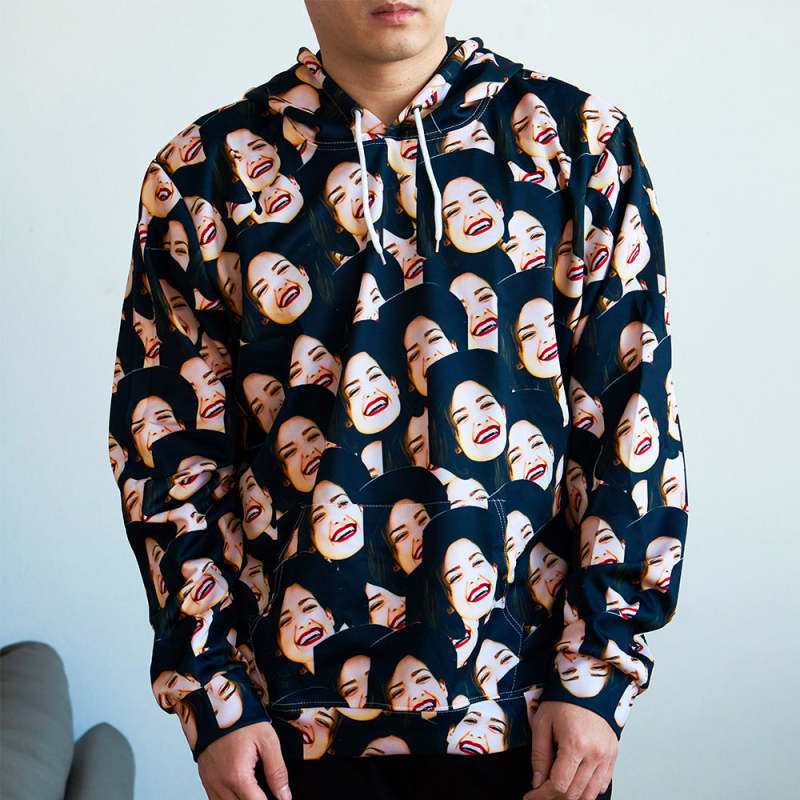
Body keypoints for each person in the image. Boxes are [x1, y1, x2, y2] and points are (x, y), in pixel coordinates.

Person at [107, 2, 690, 799]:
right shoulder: (204, 173)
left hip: (529, 714)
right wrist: (213, 693)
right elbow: (169, 456)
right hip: (290, 727)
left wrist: (598, 671)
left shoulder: (577, 144)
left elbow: (630, 419)